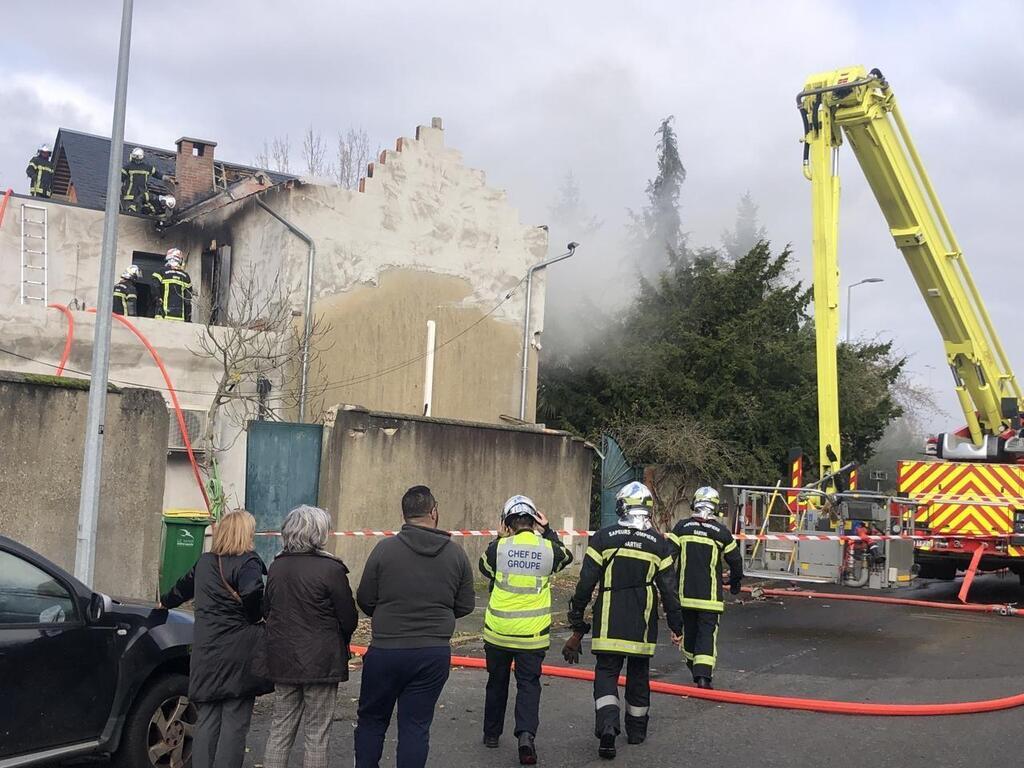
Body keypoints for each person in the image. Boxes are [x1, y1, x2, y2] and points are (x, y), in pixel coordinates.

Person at [354, 485, 475, 768]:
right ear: (434, 512)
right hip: (432, 653)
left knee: (372, 721)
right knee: (415, 727)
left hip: (386, 650)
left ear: (404, 514)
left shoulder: (384, 549)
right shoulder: (456, 554)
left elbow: (365, 599)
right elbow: (466, 604)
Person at [562, 481, 682, 760]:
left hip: (609, 621)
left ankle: (608, 725)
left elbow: (585, 583)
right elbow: (670, 591)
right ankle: (637, 731)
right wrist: (677, 627)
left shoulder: (604, 537)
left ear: (622, 506)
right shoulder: (659, 545)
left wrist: (577, 616)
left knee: (606, 674)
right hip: (642, 624)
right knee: (639, 677)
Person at [160, 509, 271, 768]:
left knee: (207, 719)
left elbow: (181, 588)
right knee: (234, 722)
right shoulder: (248, 562)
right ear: (246, 533)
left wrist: (163, 602)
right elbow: (253, 592)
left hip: (206, 650)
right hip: (239, 654)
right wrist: (257, 616)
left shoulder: (205, 562)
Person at [479, 495, 573, 765]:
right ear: (533, 522)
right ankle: (526, 736)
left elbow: (484, 568)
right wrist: (549, 529)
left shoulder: (499, 548)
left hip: (498, 632)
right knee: (528, 685)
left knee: (496, 683)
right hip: (531, 636)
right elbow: (565, 556)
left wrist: (498, 538)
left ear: (507, 522)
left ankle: (491, 734)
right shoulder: (547, 548)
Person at [262, 505, 359, 768]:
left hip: (283, 658)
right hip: (322, 661)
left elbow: (266, 610)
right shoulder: (331, 569)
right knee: (317, 734)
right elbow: (349, 618)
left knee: (280, 730)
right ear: (319, 533)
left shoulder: (276, 567)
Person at [668, 486, 744, 690]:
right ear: (715, 508)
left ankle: (695, 668)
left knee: (690, 635)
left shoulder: (681, 528)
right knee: (706, 635)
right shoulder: (721, 532)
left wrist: (666, 587)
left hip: (684, 596)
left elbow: (668, 559)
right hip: (710, 598)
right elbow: (736, 562)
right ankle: (703, 676)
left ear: (694, 504)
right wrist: (735, 583)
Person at [121, 146, 171, 214]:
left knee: (136, 211)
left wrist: (165, 178)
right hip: (137, 196)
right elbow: (157, 174)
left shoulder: (128, 167)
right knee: (134, 212)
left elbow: (120, 179)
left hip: (133, 196)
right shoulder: (146, 167)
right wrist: (165, 177)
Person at [152, 248, 193, 321]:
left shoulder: (161, 272)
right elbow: (188, 301)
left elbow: (155, 290)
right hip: (180, 317)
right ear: (179, 260)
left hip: (162, 316)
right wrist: (188, 318)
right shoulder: (186, 276)